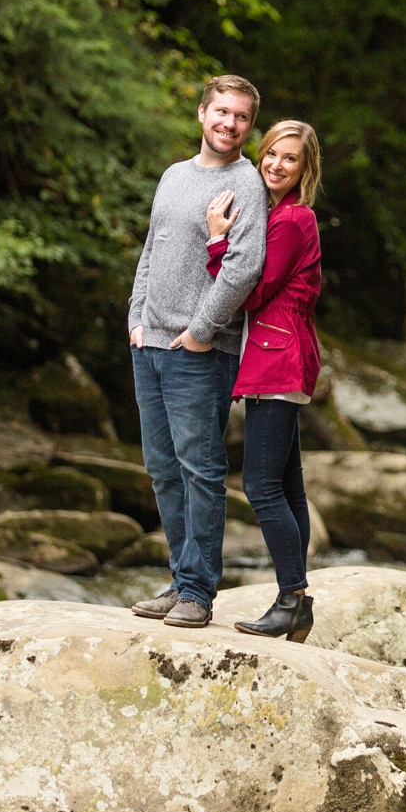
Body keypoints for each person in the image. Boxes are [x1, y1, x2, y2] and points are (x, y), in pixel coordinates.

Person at [126, 74, 271, 628]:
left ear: (247, 126)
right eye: (222, 112)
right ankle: (178, 580)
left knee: (201, 470)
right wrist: (136, 317)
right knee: (163, 469)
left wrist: (202, 331)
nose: (230, 124)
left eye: (240, 117)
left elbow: (242, 266)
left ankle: (197, 592)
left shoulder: (246, 184)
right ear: (202, 114)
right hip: (151, 344)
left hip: (200, 351)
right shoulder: (174, 176)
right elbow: (152, 248)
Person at [202, 119, 323, 641]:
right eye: (271, 152)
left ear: (305, 168)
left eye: (290, 158)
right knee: (288, 485)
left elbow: (248, 291)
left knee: (260, 487)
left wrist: (216, 243)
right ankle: (296, 600)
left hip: (276, 358)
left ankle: (291, 598)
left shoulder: (292, 221)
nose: (276, 164)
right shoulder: (280, 215)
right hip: (281, 355)